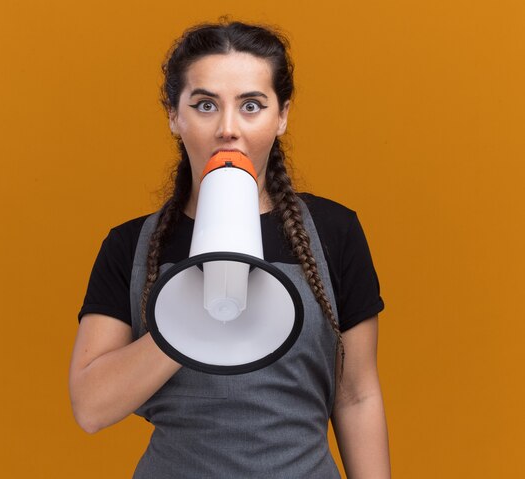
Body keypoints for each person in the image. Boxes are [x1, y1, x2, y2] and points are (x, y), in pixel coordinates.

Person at [69, 20, 391, 478]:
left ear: (281, 117)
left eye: (251, 106)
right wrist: (191, 325)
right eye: (204, 105)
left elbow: (357, 395)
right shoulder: (130, 246)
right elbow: (91, 407)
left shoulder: (334, 231)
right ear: (174, 116)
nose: (228, 129)